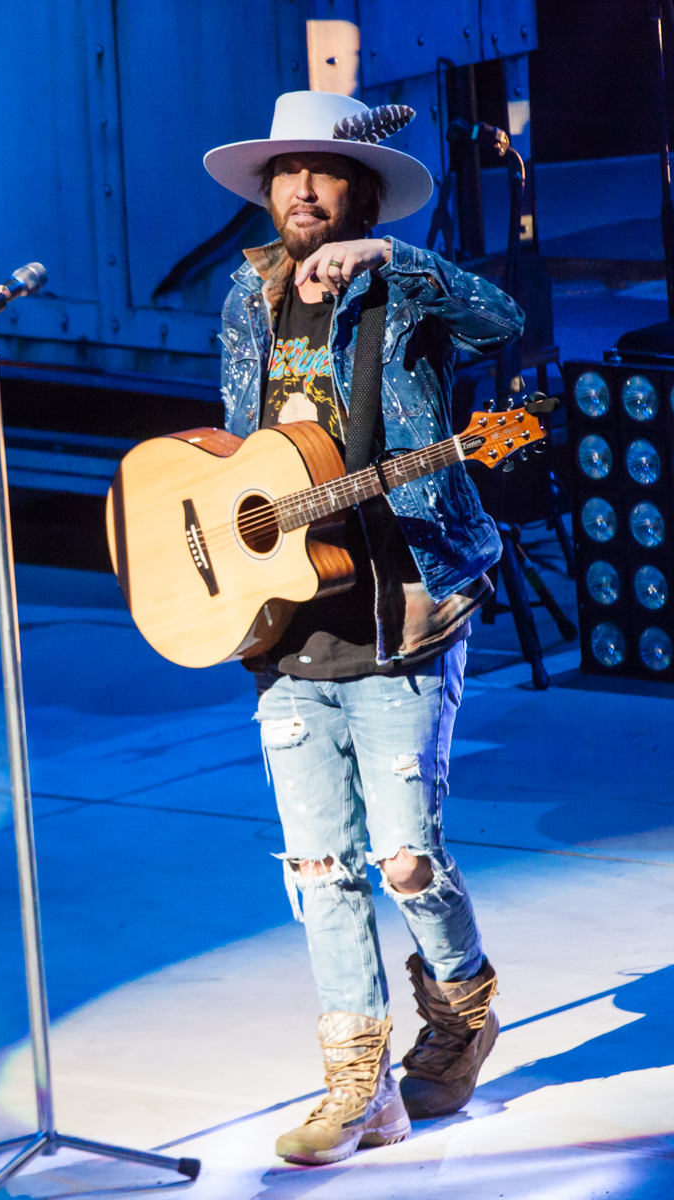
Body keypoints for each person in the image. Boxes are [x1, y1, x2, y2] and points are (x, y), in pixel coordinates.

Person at [204, 91, 524, 1166]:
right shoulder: (243, 294)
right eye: (283, 172)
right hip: (284, 615)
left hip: (405, 604)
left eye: (322, 172)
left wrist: (398, 262)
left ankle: (463, 1002)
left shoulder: (408, 289)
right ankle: (358, 1088)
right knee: (317, 868)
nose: (299, 189)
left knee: (402, 861)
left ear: (361, 190)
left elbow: (504, 322)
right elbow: (239, 450)